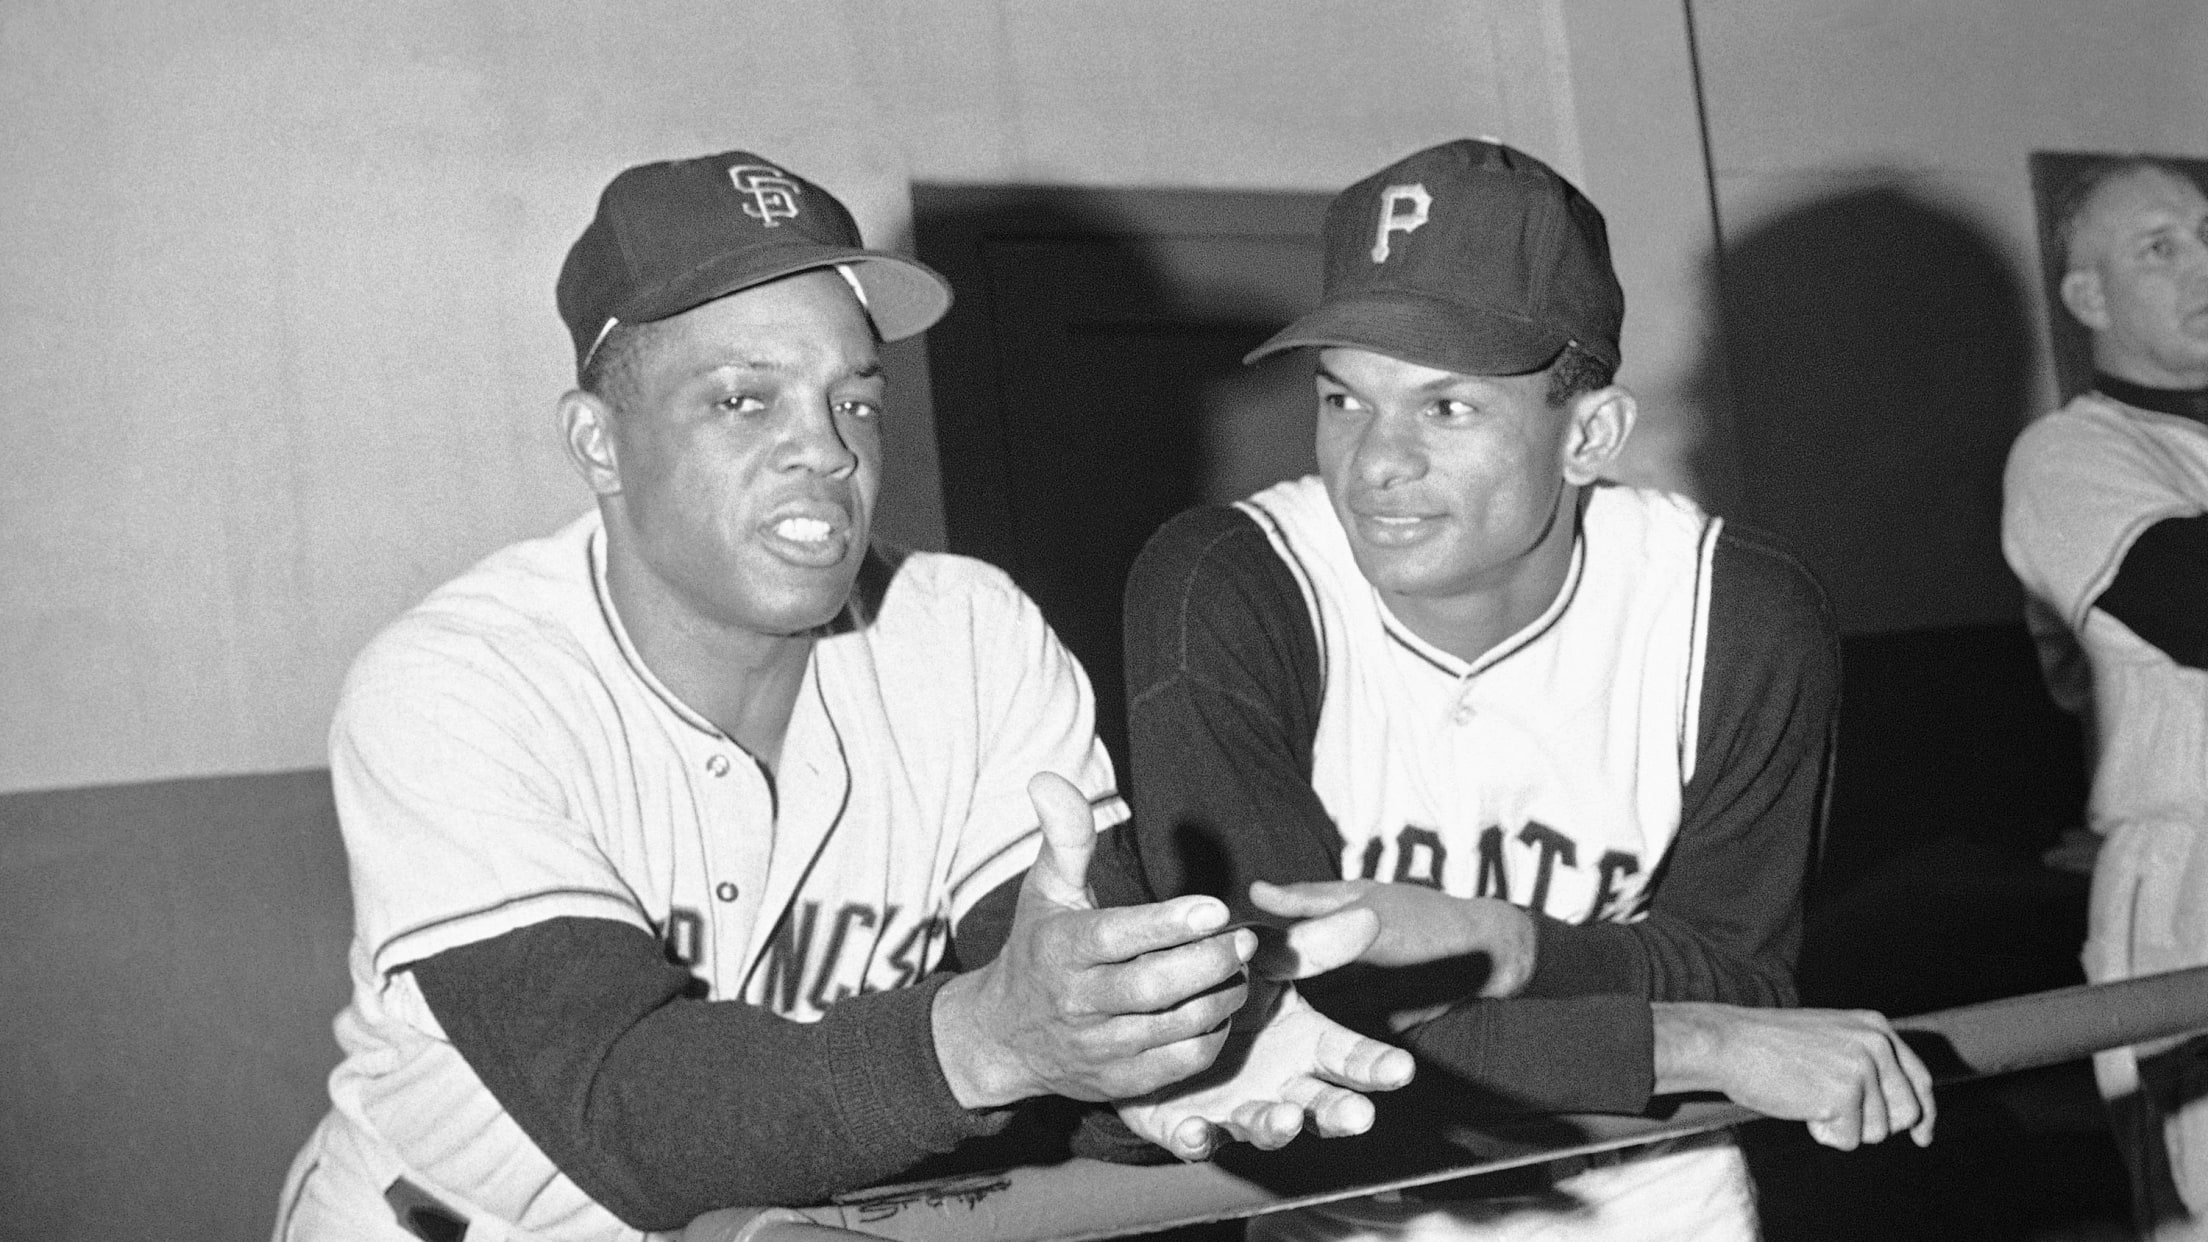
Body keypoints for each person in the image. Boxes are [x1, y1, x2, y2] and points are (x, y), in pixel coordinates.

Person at [272, 149, 1413, 1242]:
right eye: (742, 401)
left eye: (853, 401)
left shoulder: (966, 633)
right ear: (598, 442)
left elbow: (1045, 973)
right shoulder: (461, 683)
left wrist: (1163, 1049)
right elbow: (634, 1114)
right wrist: (990, 1039)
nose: (824, 449)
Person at [1102, 138, 1937, 1242]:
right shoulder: (1230, 579)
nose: (1378, 463)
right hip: (1351, 1214)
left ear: (1590, 434)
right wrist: (1685, 1040)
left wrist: (1505, 943)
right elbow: (1282, 1027)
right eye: (1345, 400)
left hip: (1648, 1197)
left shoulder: (1734, 612)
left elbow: (1747, 981)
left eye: (1447, 409)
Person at [2004, 154, 2208, 1241]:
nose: (2204, 265)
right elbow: (2192, 602)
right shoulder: (2073, 451)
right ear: (2088, 298)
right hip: (2191, 883)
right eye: (2159, 247)